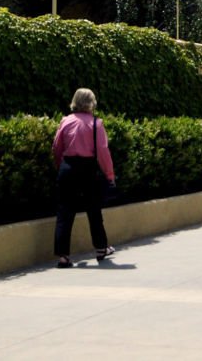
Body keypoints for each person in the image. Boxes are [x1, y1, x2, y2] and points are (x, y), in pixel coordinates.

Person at [52, 87, 116, 268]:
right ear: (92, 103)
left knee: (64, 212)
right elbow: (103, 152)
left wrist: (61, 166)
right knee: (94, 210)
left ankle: (63, 256)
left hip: (68, 167)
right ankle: (101, 248)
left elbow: (57, 147)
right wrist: (110, 175)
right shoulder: (96, 124)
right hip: (88, 169)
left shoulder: (65, 121)